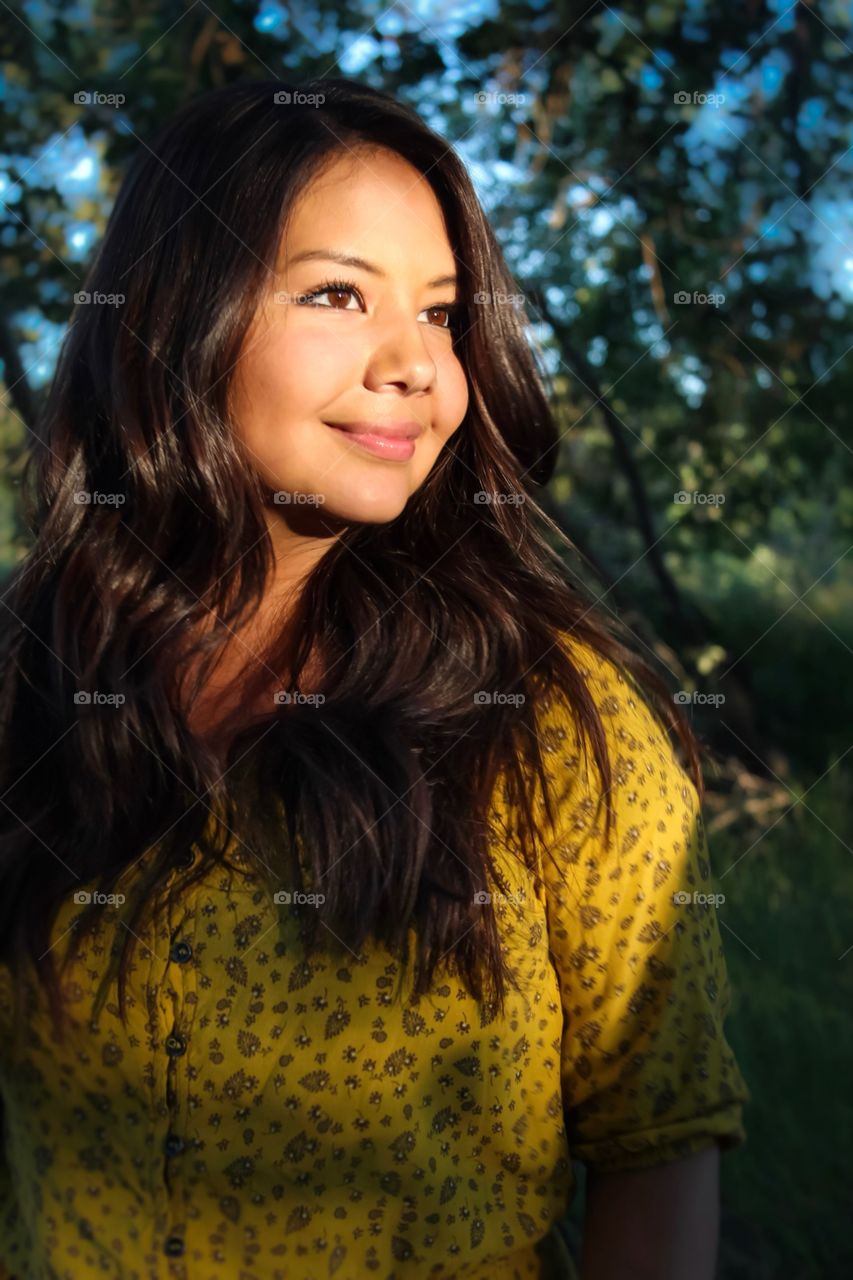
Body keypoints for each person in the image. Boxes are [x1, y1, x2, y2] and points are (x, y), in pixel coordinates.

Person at [0, 77, 749, 1280]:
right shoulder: (31, 682)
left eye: (446, 312)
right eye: (339, 293)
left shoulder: (555, 724)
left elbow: (655, 1146)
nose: (416, 363)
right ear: (173, 314)